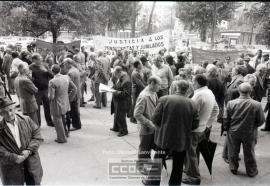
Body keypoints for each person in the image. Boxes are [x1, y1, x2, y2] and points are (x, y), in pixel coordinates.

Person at [143, 80, 199, 186]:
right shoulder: (192, 103)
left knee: (158, 162)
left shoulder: (164, 99)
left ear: (176, 88)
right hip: (182, 139)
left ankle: (152, 183)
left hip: (164, 137)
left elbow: (154, 119)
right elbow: (195, 125)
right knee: (178, 165)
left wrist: (162, 126)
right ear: (187, 90)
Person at [182, 74, 219, 185]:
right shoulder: (209, 92)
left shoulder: (198, 95)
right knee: (193, 152)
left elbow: (189, 114)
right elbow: (216, 110)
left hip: (193, 130)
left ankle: (194, 177)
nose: (192, 83)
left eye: (193, 81)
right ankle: (190, 169)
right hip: (201, 129)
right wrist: (207, 125)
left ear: (197, 82)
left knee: (190, 153)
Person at [224, 83, 265, 177]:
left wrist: (227, 128)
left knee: (233, 152)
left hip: (233, 131)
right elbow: (261, 121)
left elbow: (226, 119)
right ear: (250, 91)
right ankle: (251, 171)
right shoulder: (257, 104)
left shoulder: (231, 103)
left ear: (239, 91)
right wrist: (254, 126)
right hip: (249, 132)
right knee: (249, 153)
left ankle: (233, 168)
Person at [0, 97, 43, 185]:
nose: (9, 113)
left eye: (11, 110)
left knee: (33, 182)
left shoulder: (26, 120)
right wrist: (13, 157)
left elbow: (37, 136)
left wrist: (29, 150)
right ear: (1, 114)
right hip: (11, 167)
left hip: (30, 163)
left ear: (15, 108)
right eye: (4, 112)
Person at [134, 76, 161, 175]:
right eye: (158, 84)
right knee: (144, 148)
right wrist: (149, 123)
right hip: (145, 128)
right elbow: (137, 114)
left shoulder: (154, 93)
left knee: (148, 147)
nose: (160, 87)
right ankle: (141, 167)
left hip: (152, 127)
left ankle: (146, 164)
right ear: (152, 83)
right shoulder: (144, 96)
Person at [48, 64, 77, 143]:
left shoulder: (52, 81)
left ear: (52, 71)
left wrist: (48, 96)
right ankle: (65, 133)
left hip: (57, 103)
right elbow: (75, 88)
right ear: (59, 70)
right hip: (65, 101)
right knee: (63, 119)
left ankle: (61, 138)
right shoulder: (66, 77)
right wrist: (69, 98)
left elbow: (51, 96)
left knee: (58, 121)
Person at [29, 53, 54, 127]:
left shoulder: (45, 66)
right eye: (39, 59)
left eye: (41, 59)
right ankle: (38, 124)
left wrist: (46, 71)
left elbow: (52, 75)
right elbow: (29, 79)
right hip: (37, 91)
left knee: (48, 107)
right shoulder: (30, 67)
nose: (41, 60)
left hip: (46, 90)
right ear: (34, 60)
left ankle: (49, 122)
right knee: (37, 109)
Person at [60, 58, 82, 131]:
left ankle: (76, 125)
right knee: (75, 109)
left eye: (65, 63)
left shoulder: (70, 72)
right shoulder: (75, 69)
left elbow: (70, 85)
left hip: (73, 93)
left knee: (73, 110)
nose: (64, 65)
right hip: (77, 92)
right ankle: (77, 124)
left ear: (69, 63)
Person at [110, 66, 132, 137]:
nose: (115, 76)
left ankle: (124, 131)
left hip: (123, 102)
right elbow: (118, 86)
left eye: (115, 74)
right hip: (118, 101)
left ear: (119, 72)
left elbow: (126, 94)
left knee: (121, 116)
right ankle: (116, 127)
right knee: (116, 115)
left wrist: (115, 91)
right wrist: (113, 88)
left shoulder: (126, 81)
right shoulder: (120, 77)